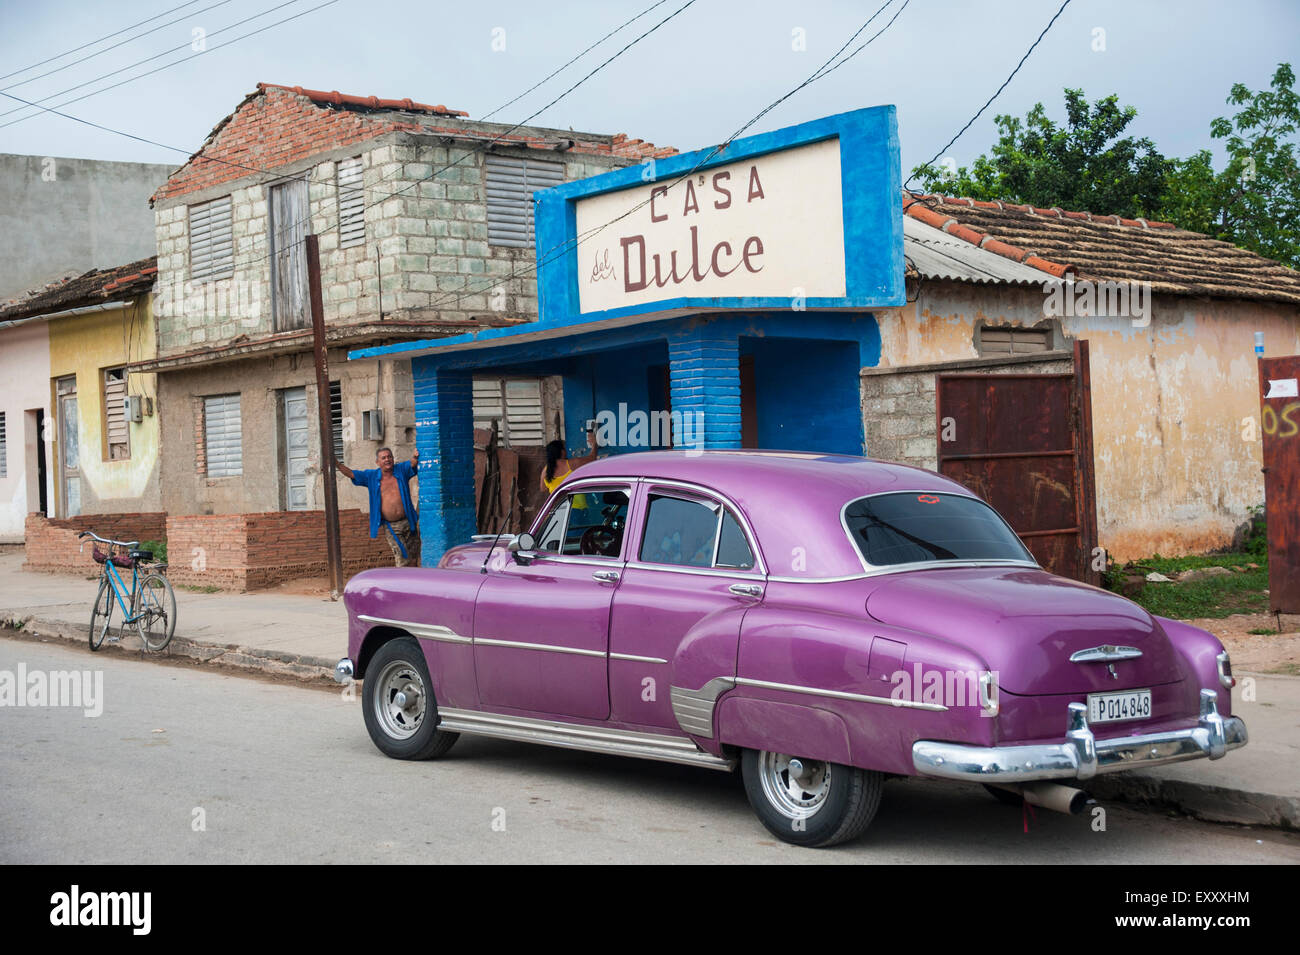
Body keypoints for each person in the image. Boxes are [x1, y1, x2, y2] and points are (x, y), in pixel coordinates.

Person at [337, 447, 421, 567]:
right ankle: (401, 584)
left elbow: (412, 463)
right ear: (377, 462)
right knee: (402, 557)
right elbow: (351, 473)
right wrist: (336, 463)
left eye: (389, 457)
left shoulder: (401, 470)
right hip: (392, 527)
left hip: (409, 521)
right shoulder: (371, 476)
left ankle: (415, 583)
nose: (387, 459)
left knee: (414, 556)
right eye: (383, 458)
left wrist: (415, 455)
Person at [541, 429, 598, 496]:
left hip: (559, 505)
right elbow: (592, 458)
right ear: (562, 451)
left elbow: (543, 488)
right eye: (564, 449)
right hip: (576, 505)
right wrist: (594, 445)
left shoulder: (545, 470)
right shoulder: (571, 464)